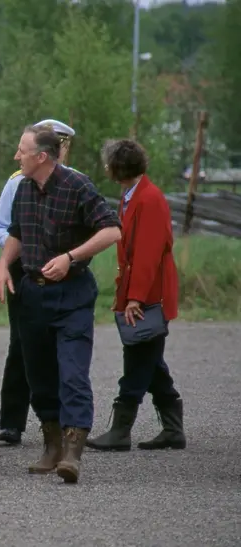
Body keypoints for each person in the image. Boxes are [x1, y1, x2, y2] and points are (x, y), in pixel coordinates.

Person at [0, 123, 121, 484]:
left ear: (42, 156)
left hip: (72, 294)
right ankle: (51, 446)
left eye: (22, 150)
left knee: (73, 373)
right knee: (39, 375)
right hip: (31, 294)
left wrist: (70, 257)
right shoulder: (22, 188)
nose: (16, 156)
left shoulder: (77, 186)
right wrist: (3, 265)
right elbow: (17, 232)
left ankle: (72, 453)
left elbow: (112, 230)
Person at [86, 139, 186, 452]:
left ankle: (120, 430)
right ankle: (173, 430)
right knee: (151, 361)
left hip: (149, 295)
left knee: (138, 358)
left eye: (108, 163)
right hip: (139, 290)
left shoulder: (149, 199)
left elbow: (148, 253)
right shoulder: (131, 197)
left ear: (119, 168)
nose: (105, 168)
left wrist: (136, 298)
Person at [0, 119, 76, 446]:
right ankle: (12, 421)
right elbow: (0, 229)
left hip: (64, 271)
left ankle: (62, 422)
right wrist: (23, 245)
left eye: (63, 144)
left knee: (64, 347)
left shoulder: (77, 183)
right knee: (22, 345)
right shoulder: (18, 183)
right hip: (24, 270)